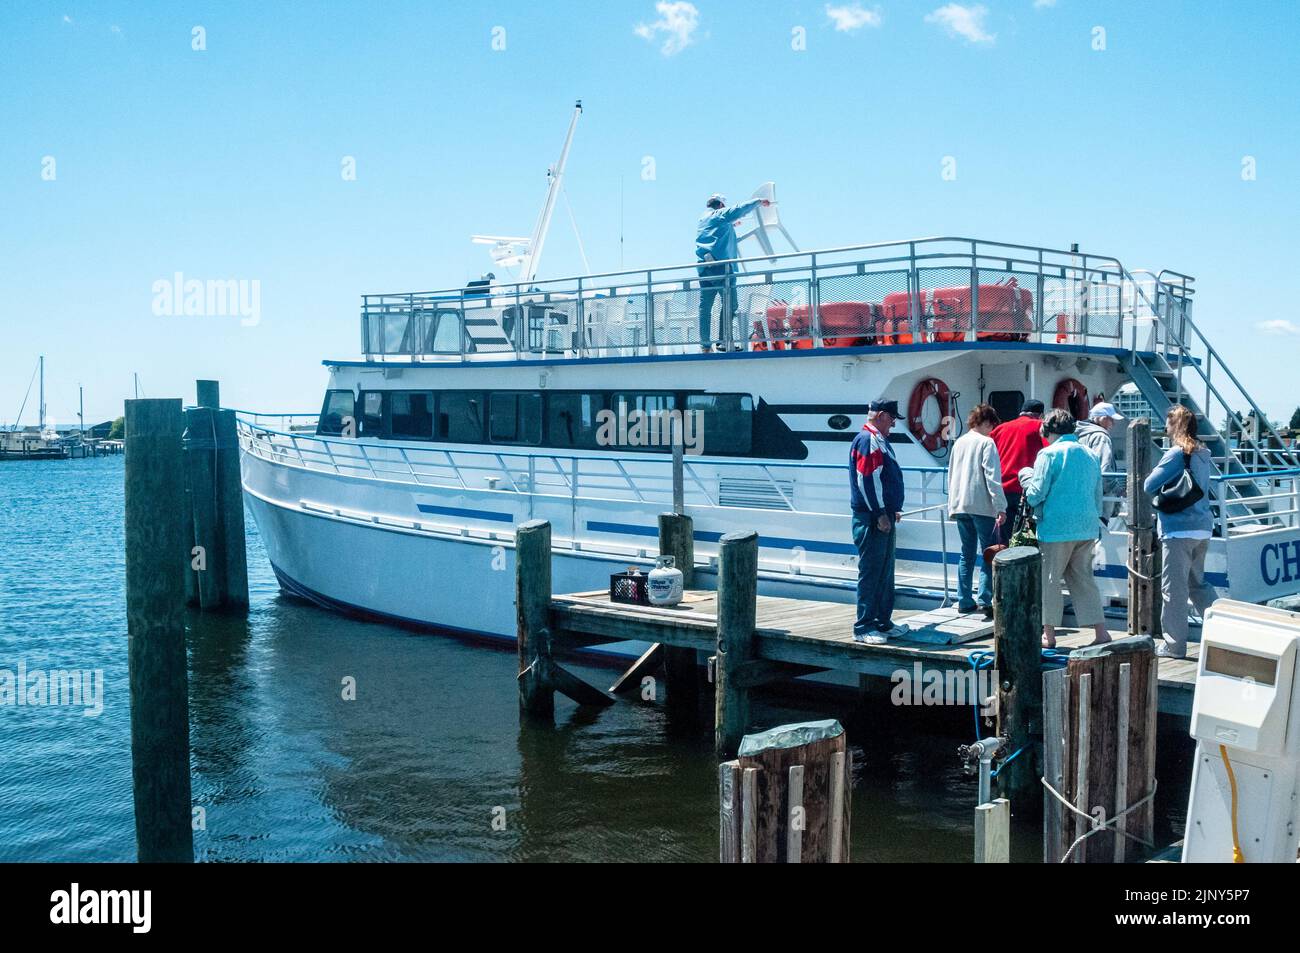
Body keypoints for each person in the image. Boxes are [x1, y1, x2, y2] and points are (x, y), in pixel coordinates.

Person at [1019, 409, 1108, 649]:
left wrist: (1025, 478)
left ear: (1049, 430)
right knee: (1084, 580)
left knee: (1050, 580)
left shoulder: (1048, 454)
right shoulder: (1090, 454)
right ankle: (1101, 631)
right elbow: (1097, 493)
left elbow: (1036, 495)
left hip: (1056, 528)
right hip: (1087, 526)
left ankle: (1048, 635)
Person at [1143, 405, 1217, 658]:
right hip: (1202, 527)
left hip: (1178, 530)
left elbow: (1149, 485)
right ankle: (1221, 631)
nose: (1165, 428)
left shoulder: (1176, 453)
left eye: (1167, 423)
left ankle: (1174, 645)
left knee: (1173, 590)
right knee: (1198, 585)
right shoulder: (1204, 453)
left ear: (1175, 426)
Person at [850, 399, 907, 644]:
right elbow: (867, 480)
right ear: (882, 415)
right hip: (872, 519)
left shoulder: (879, 440)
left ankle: (883, 622)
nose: (894, 423)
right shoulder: (868, 440)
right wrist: (880, 513)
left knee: (885, 571)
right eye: (892, 418)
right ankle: (863, 627)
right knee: (872, 571)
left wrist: (891, 509)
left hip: (883, 516)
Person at [946, 404, 1007, 617]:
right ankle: (984, 599)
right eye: (992, 425)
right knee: (989, 553)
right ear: (987, 422)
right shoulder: (986, 443)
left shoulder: (958, 443)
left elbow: (951, 474)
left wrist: (951, 505)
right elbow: (992, 477)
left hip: (960, 504)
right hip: (981, 505)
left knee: (966, 553)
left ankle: (964, 599)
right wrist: (1001, 506)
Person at [695, 193, 770, 352]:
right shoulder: (719, 215)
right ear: (721, 206)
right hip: (721, 267)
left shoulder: (703, 219)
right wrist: (758, 202)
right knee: (730, 304)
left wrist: (731, 226)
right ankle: (724, 341)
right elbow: (737, 210)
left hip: (704, 267)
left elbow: (715, 232)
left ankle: (705, 345)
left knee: (705, 307)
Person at [990, 398, 1047, 545]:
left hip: (1002, 490)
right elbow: (1050, 453)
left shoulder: (1000, 428)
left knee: (1004, 540)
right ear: (1040, 415)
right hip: (1026, 490)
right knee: (1028, 540)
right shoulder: (1040, 426)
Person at [1077, 401, 1125, 523]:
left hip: (1081, 497)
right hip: (1098, 501)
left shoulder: (1080, 433)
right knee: (1097, 536)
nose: (1113, 423)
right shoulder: (1101, 437)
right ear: (1102, 418)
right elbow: (1104, 470)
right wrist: (1118, 490)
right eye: (1111, 419)